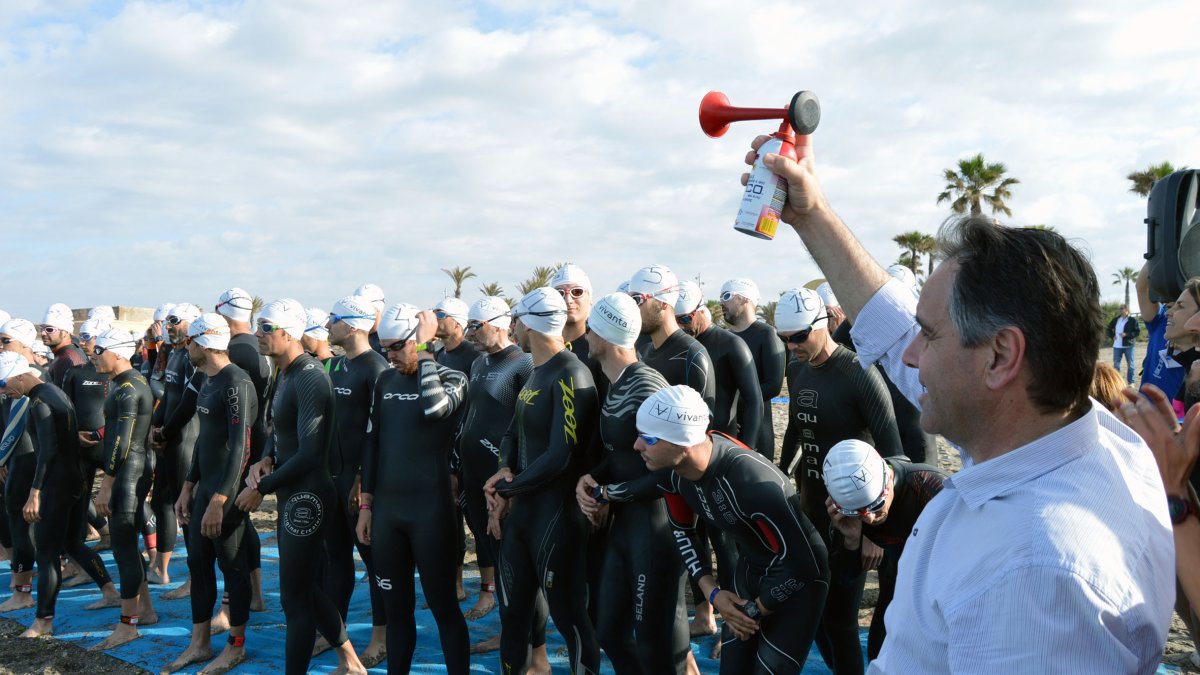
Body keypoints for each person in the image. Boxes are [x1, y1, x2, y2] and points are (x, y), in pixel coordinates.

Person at [751, 132, 1174, 672]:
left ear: (1000, 357)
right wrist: (810, 215)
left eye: (929, 336)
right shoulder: (1058, 433)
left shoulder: (1033, 574)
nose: (907, 355)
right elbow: (891, 319)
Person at [634, 385, 829, 674]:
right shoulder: (671, 471)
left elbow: (808, 561)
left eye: (648, 438)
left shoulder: (753, 483)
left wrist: (754, 611)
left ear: (682, 444)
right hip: (749, 572)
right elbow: (682, 531)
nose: (637, 445)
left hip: (797, 582)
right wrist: (713, 595)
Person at [236, 299, 367, 675]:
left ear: (288, 333)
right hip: (292, 492)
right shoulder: (285, 373)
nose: (258, 335)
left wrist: (262, 488)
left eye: (265, 328)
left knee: (294, 598)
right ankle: (351, 662)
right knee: (305, 588)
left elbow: (310, 453)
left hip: (309, 493)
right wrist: (266, 457)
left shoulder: (309, 376)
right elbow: (281, 431)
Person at [775, 287, 901, 675]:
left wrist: (873, 530)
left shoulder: (858, 373)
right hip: (811, 506)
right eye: (784, 338)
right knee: (813, 614)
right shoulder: (795, 368)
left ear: (824, 323)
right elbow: (796, 427)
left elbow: (894, 455)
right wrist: (782, 476)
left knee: (842, 621)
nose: (792, 345)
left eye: (799, 336)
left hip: (853, 516)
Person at [483, 287, 600, 675]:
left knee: (570, 621)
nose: (511, 326)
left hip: (556, 519)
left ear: (528, 323)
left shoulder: (571, 373)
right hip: (522, 519)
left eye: (515, 319)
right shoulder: (536, 372)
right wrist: (503, 469)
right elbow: (512, 434)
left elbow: (561, 455)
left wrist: (507, 489)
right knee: (513, 618)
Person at [574, 293, 691, 674]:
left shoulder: (645, 387)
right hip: (627, 525)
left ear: (606, 337)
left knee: (656, 643)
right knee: (608, 631)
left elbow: (670, 472)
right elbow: (623, 452)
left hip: (654, 527)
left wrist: (607, 492)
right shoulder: (618, 381)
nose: (584, 335)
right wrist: (595, 477)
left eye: (590, 328)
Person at [356, 303, 471, 674]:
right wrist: (367, 505)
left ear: (419, 340)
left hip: (432, 513)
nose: (387, 355)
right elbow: (373, 445)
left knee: (444, 610)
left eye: (395, 346)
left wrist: (425, 354)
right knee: (396, 612)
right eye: (384, 347)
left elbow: (434, 408)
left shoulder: (454, 379)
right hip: (389, 514)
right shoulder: (385, 381)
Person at [629, 264, 725, 638]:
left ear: (660, 302)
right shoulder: (644, 351)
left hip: (685, 474)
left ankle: (711, 617)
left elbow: (703, 426)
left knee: (701, 542)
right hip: (653, 469)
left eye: (638, 300)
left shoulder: (692, 355)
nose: (633, 307)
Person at [0, 352, 117, 638]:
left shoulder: (39, 402)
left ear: (20, 375)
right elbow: (65, 432)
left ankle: (43, 621)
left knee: (48, 552)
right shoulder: (54, 392)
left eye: (3, 383)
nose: (4, 391)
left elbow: (48, 451)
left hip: (56, 484)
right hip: (74, 478)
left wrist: (35, 492)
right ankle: (110, 591)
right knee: (72, 543)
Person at [823, 439, 946, 661]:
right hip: (894, 589)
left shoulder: (928, 487)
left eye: (875, 505)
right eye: (858, 513)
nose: (869, 518)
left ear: (888, 481)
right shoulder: (846, 511)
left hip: (936, 597)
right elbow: (845, 579)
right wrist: (852, 540)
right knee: (877, 658)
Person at [324, 295, 390, 667]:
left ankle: (381, 637)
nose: (328, 324)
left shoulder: (375, 368)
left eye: (334, 318)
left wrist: (364, 485)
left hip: (358, 482)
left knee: (375, 562)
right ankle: (337, 631)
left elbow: (376, 433)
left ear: (352, 326)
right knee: (336, 561)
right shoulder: (335, 366)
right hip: (333, 476)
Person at [457, 297, 532, 621]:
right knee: (488, 549)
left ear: (501, 324)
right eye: (469, 325)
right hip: (473, 475)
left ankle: (521, 632)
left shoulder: (522, 363)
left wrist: (514, 477)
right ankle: (508, 626)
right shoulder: (477, 363)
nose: (470, 333)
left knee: (510, 556)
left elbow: (527, 427)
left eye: (476, 325)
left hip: (500, 477)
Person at [87, 328, 159, 651]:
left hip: (128, 474)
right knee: (128, 545)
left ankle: (127, 626)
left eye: (99, 349)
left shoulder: (128, 389)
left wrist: (107, 484)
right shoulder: (124, 384)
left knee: (124, 548)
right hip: (133, 470)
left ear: (117, 352)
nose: (93, 354)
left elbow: (123, 441)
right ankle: (145, 609)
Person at [214, 287, 269, 623]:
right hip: (257, 434)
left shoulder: (236, 349)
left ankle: (229, 605)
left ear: (223, 311)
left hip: (241, 440)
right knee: (242, 520)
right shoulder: (255, 345)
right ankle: (256, 594)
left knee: (231, 522)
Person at [150, 302, 203, 595]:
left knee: (187, 511)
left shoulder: (192, 358)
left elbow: (187, 404)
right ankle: (162, 568)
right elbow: (168, 397)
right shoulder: (174, 354)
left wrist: (167, 431)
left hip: (186, 439)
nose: (169, 327)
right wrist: (157, 426)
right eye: (168, 323)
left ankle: (197, 578)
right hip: (169, 438)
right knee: (164, 504)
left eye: (175, 322)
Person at [432, 295, 481, 602]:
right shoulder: (440, 355)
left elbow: (477, 408)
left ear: (457, 323)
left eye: (441, 314)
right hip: (445, 447)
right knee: (449, 520)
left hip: (469, 450)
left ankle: (487, 589)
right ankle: (457, 584)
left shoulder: (472, 356)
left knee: (476, 519)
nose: (436, 319)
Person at [675, 280, 763, 447]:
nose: (680, 327)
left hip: (722, 443)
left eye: (685, 319)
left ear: (701, 310)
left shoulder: (731, 344)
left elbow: (754, 400)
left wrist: (747, 449)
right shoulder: (677, 345)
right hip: (684, 443)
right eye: (675, 320)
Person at [720, 277, 786, 461]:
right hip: (727, 426)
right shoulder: (724, 337)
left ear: (745, 299)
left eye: (726, 296)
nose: (721, 303)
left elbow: (773, 385)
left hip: (757, 428)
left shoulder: (767, 334)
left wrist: (732, 405)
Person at [1137, 263, 1186, 416]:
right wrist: (1159, 251)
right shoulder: (1159, 322)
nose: (1169, 312)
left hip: (1179, 417)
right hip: (1146, 412)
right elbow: (1141, 287)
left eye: (1179, 307)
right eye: (1167, 306)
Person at [40, 302, 87, 387]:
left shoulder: (73, 358)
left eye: (49, 329)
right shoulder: (60, 356)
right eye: (42, 328)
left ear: (65, 332)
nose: (43, 333)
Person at [1107, 303, 1140, 385]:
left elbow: (1137, 332)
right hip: (1117, 346)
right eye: (1120, 308)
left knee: (1131, 365)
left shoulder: (1133, 320)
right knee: (1116, 365)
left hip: (1128, 345)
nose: (1120, 310)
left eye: (1122, 308)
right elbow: (1108, 329)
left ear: (1127, 309)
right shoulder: (1116, 319)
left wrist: (1126, 334)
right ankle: (1117, 382)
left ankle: (1131, 382)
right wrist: (1112, 335)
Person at [354, 283, 387, 353]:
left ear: (378, 308)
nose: (360, 312)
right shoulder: (354, 338)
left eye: (364, 307)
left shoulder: (389, 338)